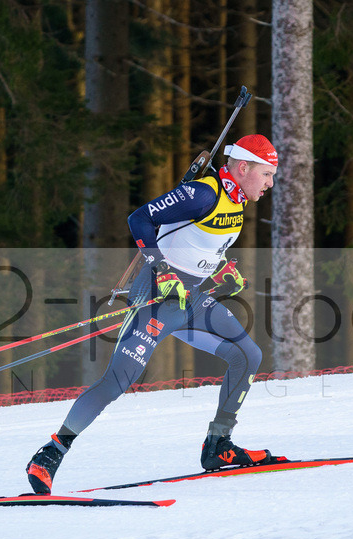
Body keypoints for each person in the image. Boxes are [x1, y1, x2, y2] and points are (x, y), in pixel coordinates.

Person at [26, 134, 282, 495]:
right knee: (117, 382)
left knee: (248, 355)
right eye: (267, 174)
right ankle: (50, 454)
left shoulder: (236, 201)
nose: (270, 183)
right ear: (243, 168)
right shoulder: (203, 193)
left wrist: (221, 271)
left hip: (189, 300)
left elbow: (196, 245)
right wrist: (161, 268)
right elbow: (140, 220)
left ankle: (218, 445)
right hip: (156, 298)